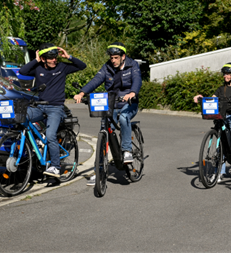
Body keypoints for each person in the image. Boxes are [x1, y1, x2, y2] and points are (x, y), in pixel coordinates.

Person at [74, 43, 141, 181]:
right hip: (111, 103)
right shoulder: (107, 67)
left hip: (129, 103)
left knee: (123, 118)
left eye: (116, 58)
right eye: (111, 58)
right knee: (104, 128)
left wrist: (132, 93)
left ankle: (127, 150)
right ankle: (98, 170)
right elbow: (96, 80)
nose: (113, 60)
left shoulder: (132, 65)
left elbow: (137, 80)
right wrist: (82, 93)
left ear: (123, 57)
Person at [18, 46, 85, 178]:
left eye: (55, 57)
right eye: (50, 58)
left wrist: (69, 57)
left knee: (50, 135)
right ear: (43, 59)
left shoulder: (62, 67)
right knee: (21, 118)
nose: (54, 60)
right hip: (39, 106)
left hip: (56, 108)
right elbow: (23, 71)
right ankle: (33, 148)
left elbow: (82, 66)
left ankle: (55, 166)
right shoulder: (38, 68)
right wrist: (36, 60)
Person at [193, 62, 231, 185]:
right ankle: (219, 172)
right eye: (224, 74)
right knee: (221, 146)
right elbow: (212, 100)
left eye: (228, 74)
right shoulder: (220, 89)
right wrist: (201, 98)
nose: (225, 76)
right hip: (221, 117)